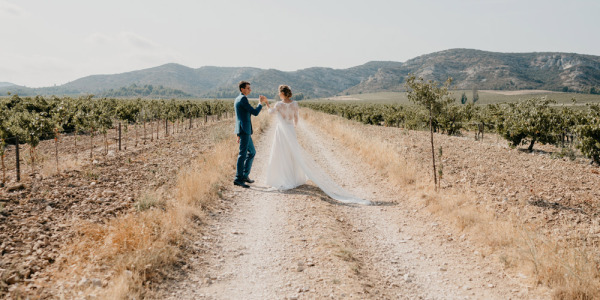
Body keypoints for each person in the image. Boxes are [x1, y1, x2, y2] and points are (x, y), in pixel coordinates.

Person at [263, 85, 370, 205]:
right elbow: (296, 119)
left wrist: (266, 103)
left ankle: (284, 177)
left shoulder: (278, 104)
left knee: (281, 152)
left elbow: (270, 113)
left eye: (279, 92)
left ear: (282, 93)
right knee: (292, 153)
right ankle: (293, 177)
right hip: (290, 129)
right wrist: (292, 127)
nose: (279, 94)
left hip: (281, 131)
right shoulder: (295, 104)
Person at [233, 81, 267, 188]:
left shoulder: (238, 98)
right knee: (242, 154)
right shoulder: (243, 99)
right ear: (242, 89)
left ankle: (244, 175)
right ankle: (238, 178)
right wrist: (260, 103)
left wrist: (238, 132)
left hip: (244, 130)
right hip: (244, 131)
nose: (250, 90)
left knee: (252, 152)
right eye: (248, 88)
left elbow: (240, 116)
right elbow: (255, 112)